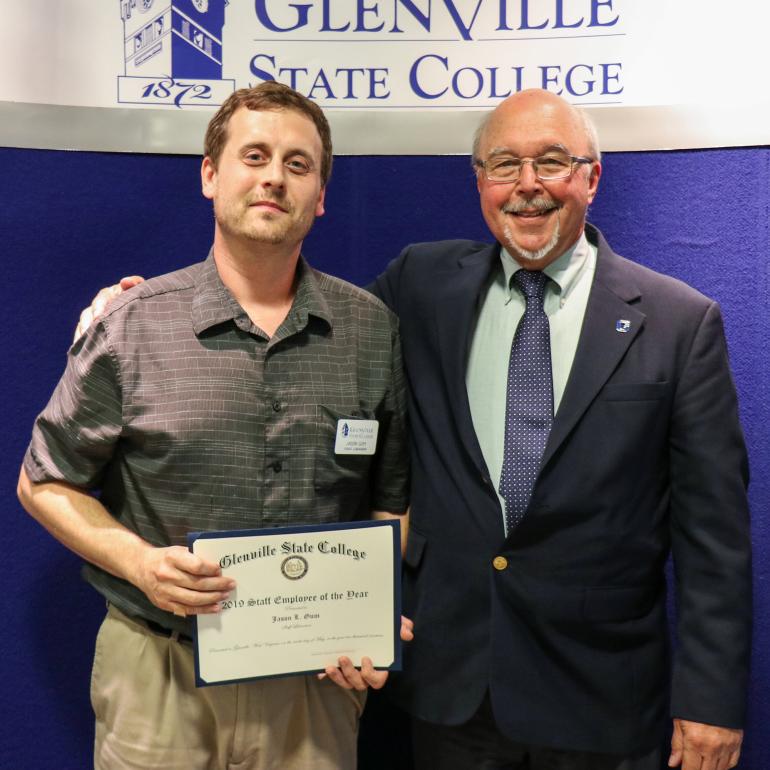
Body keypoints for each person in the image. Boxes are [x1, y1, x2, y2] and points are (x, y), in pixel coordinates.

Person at [71, 89, 752, 770]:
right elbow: (296, 328)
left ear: (591, 177)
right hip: (448, 695)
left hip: (600, 698)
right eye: (503, 165)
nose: (528, 187)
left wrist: (711, 704)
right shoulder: (422, 287)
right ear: (480, 182)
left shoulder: (677, 323)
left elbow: (713, 537)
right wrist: (132, 307)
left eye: (552, 162)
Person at [17, 82, 410, 770]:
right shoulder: (130, 327)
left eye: (297, 164)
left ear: (320, 196)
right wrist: (140, 564)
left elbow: (392, 500)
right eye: (253, 155)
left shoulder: (371, 332)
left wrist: (374, 619)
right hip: (159, 673)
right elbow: (42, 483)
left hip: (313, 683)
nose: (272, 178)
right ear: (210, 174)